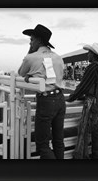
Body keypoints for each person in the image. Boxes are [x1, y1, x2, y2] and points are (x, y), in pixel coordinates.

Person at [17, 24, 66, 159]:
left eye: (32, 40)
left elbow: (21, 72)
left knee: (43, 144)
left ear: (38, 40)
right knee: (58, 140)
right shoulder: (58, 57)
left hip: (46, 101)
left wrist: (30, 51)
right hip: (60, 99)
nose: (30, 42)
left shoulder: (31, 57)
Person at [67, 43, 98, 159]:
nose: (87, 55)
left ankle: (85, 155)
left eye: (89, 53)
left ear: (93, 55)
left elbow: (84, 85)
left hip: (93, 102)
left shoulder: (93, 67)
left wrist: (72, 97)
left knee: (86, 129)